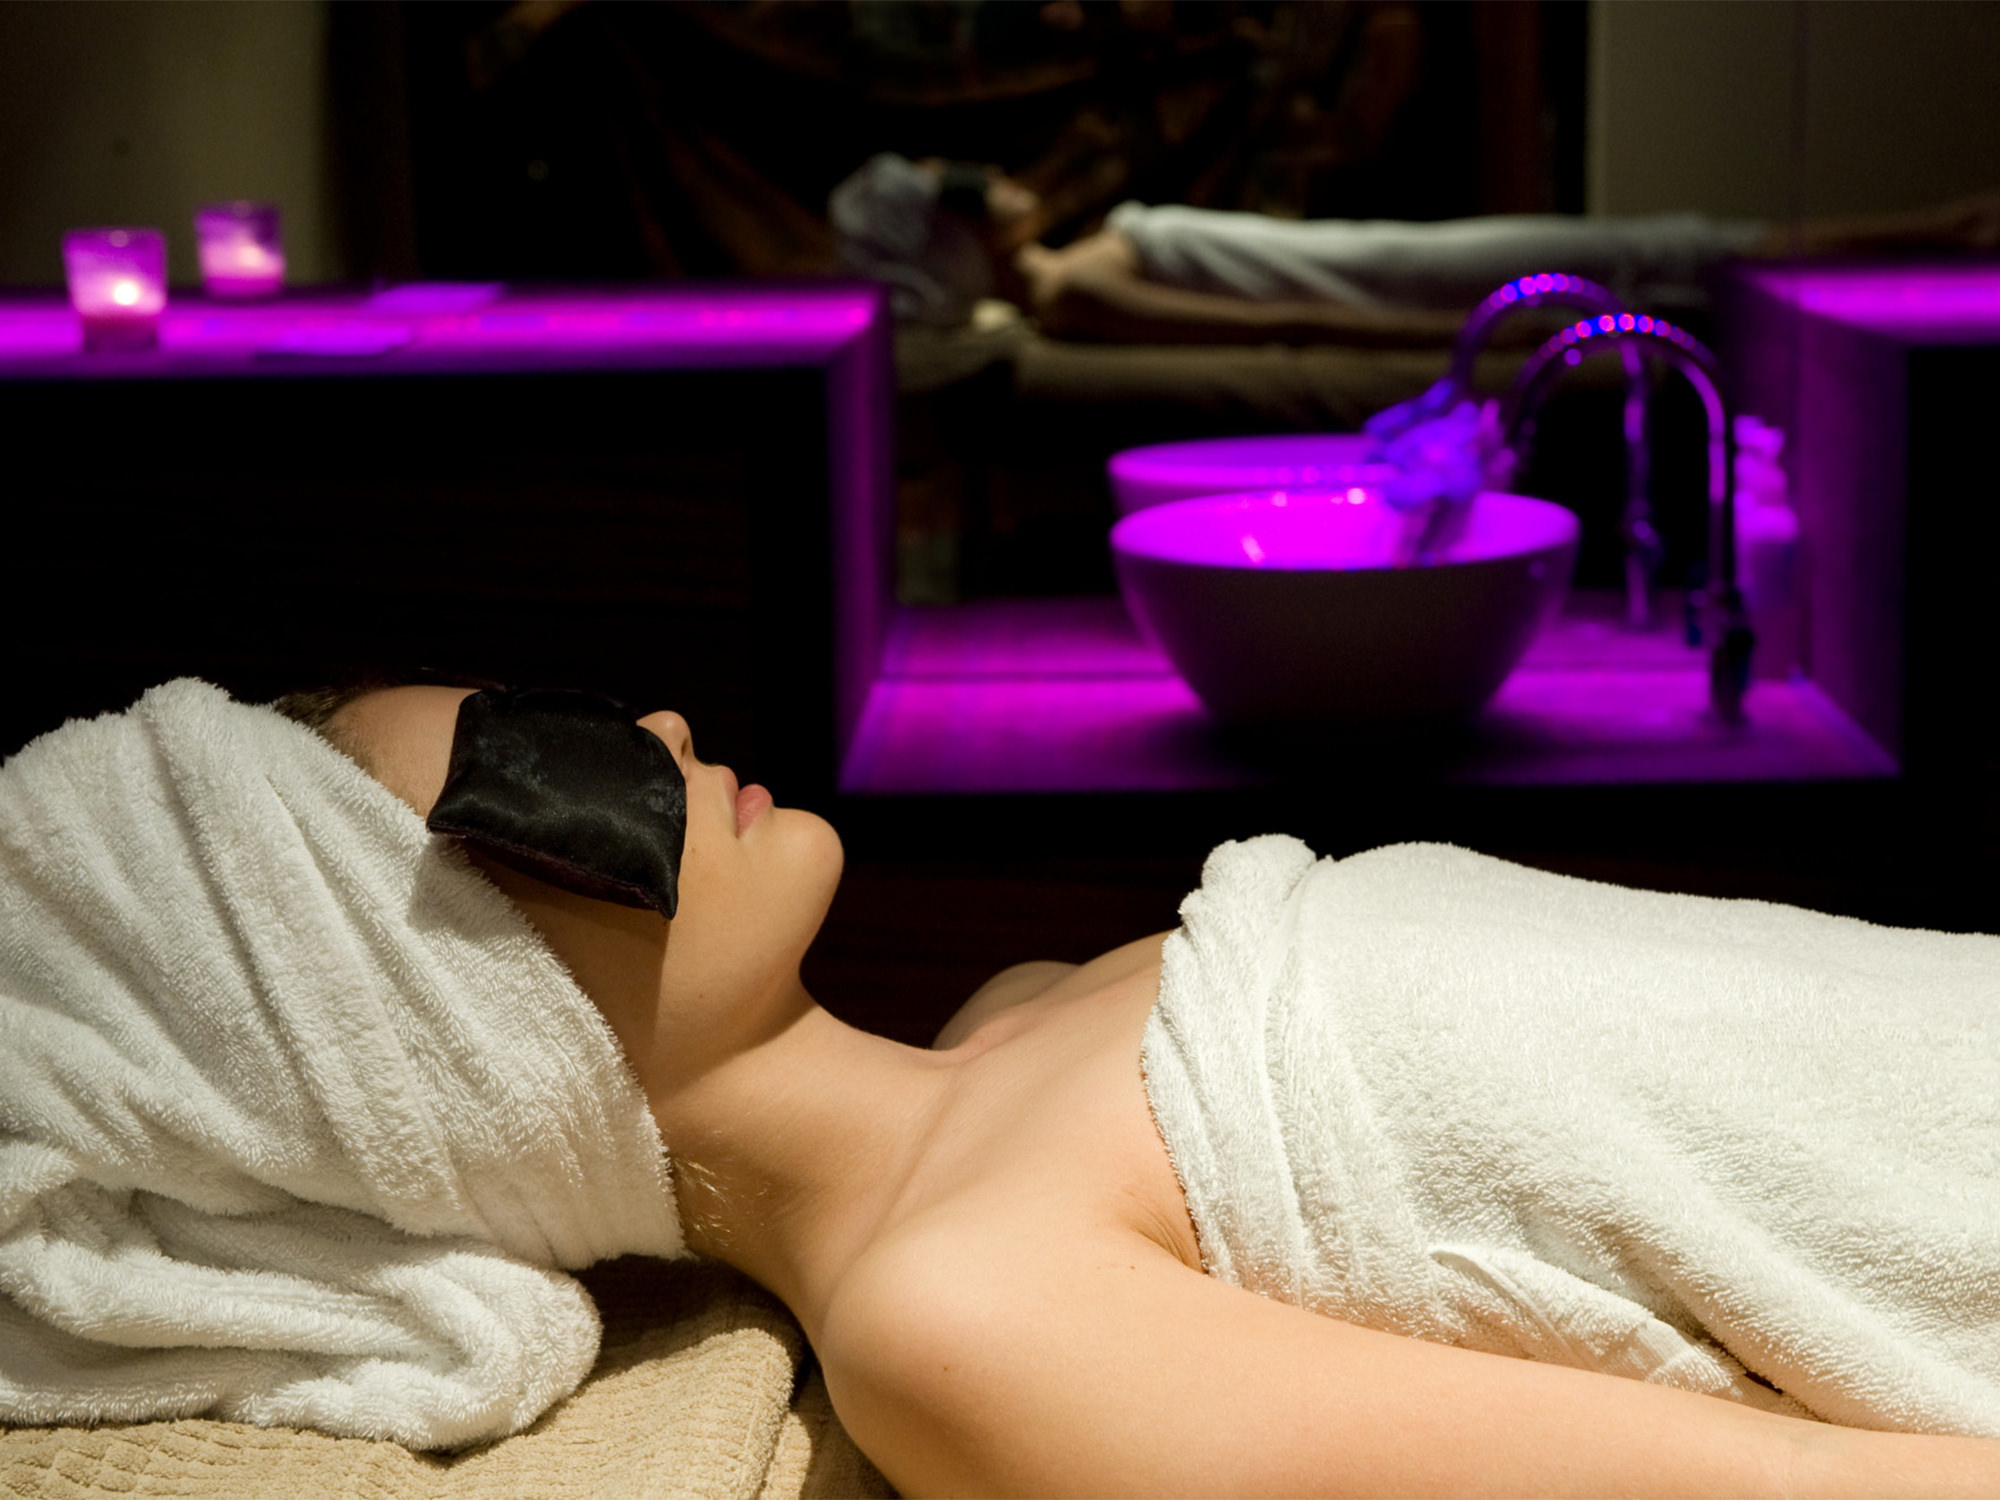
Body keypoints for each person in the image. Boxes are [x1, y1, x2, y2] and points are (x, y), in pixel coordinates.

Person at [5, 679, 1999, 1495]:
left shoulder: (1004, 1026)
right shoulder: (957, 1313)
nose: (665, 727)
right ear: (451, 1056)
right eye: (554, 772)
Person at [831, 151, 2000, 345]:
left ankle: (1940, 233)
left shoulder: (1080, 257)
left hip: (1407, 251)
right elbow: (1275, 320)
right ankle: (1940, 238)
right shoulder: (1075, 287)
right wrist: (1420, 329)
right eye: (964, 193)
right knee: (1660, 254)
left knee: (1660, 247)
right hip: (1415, 276)